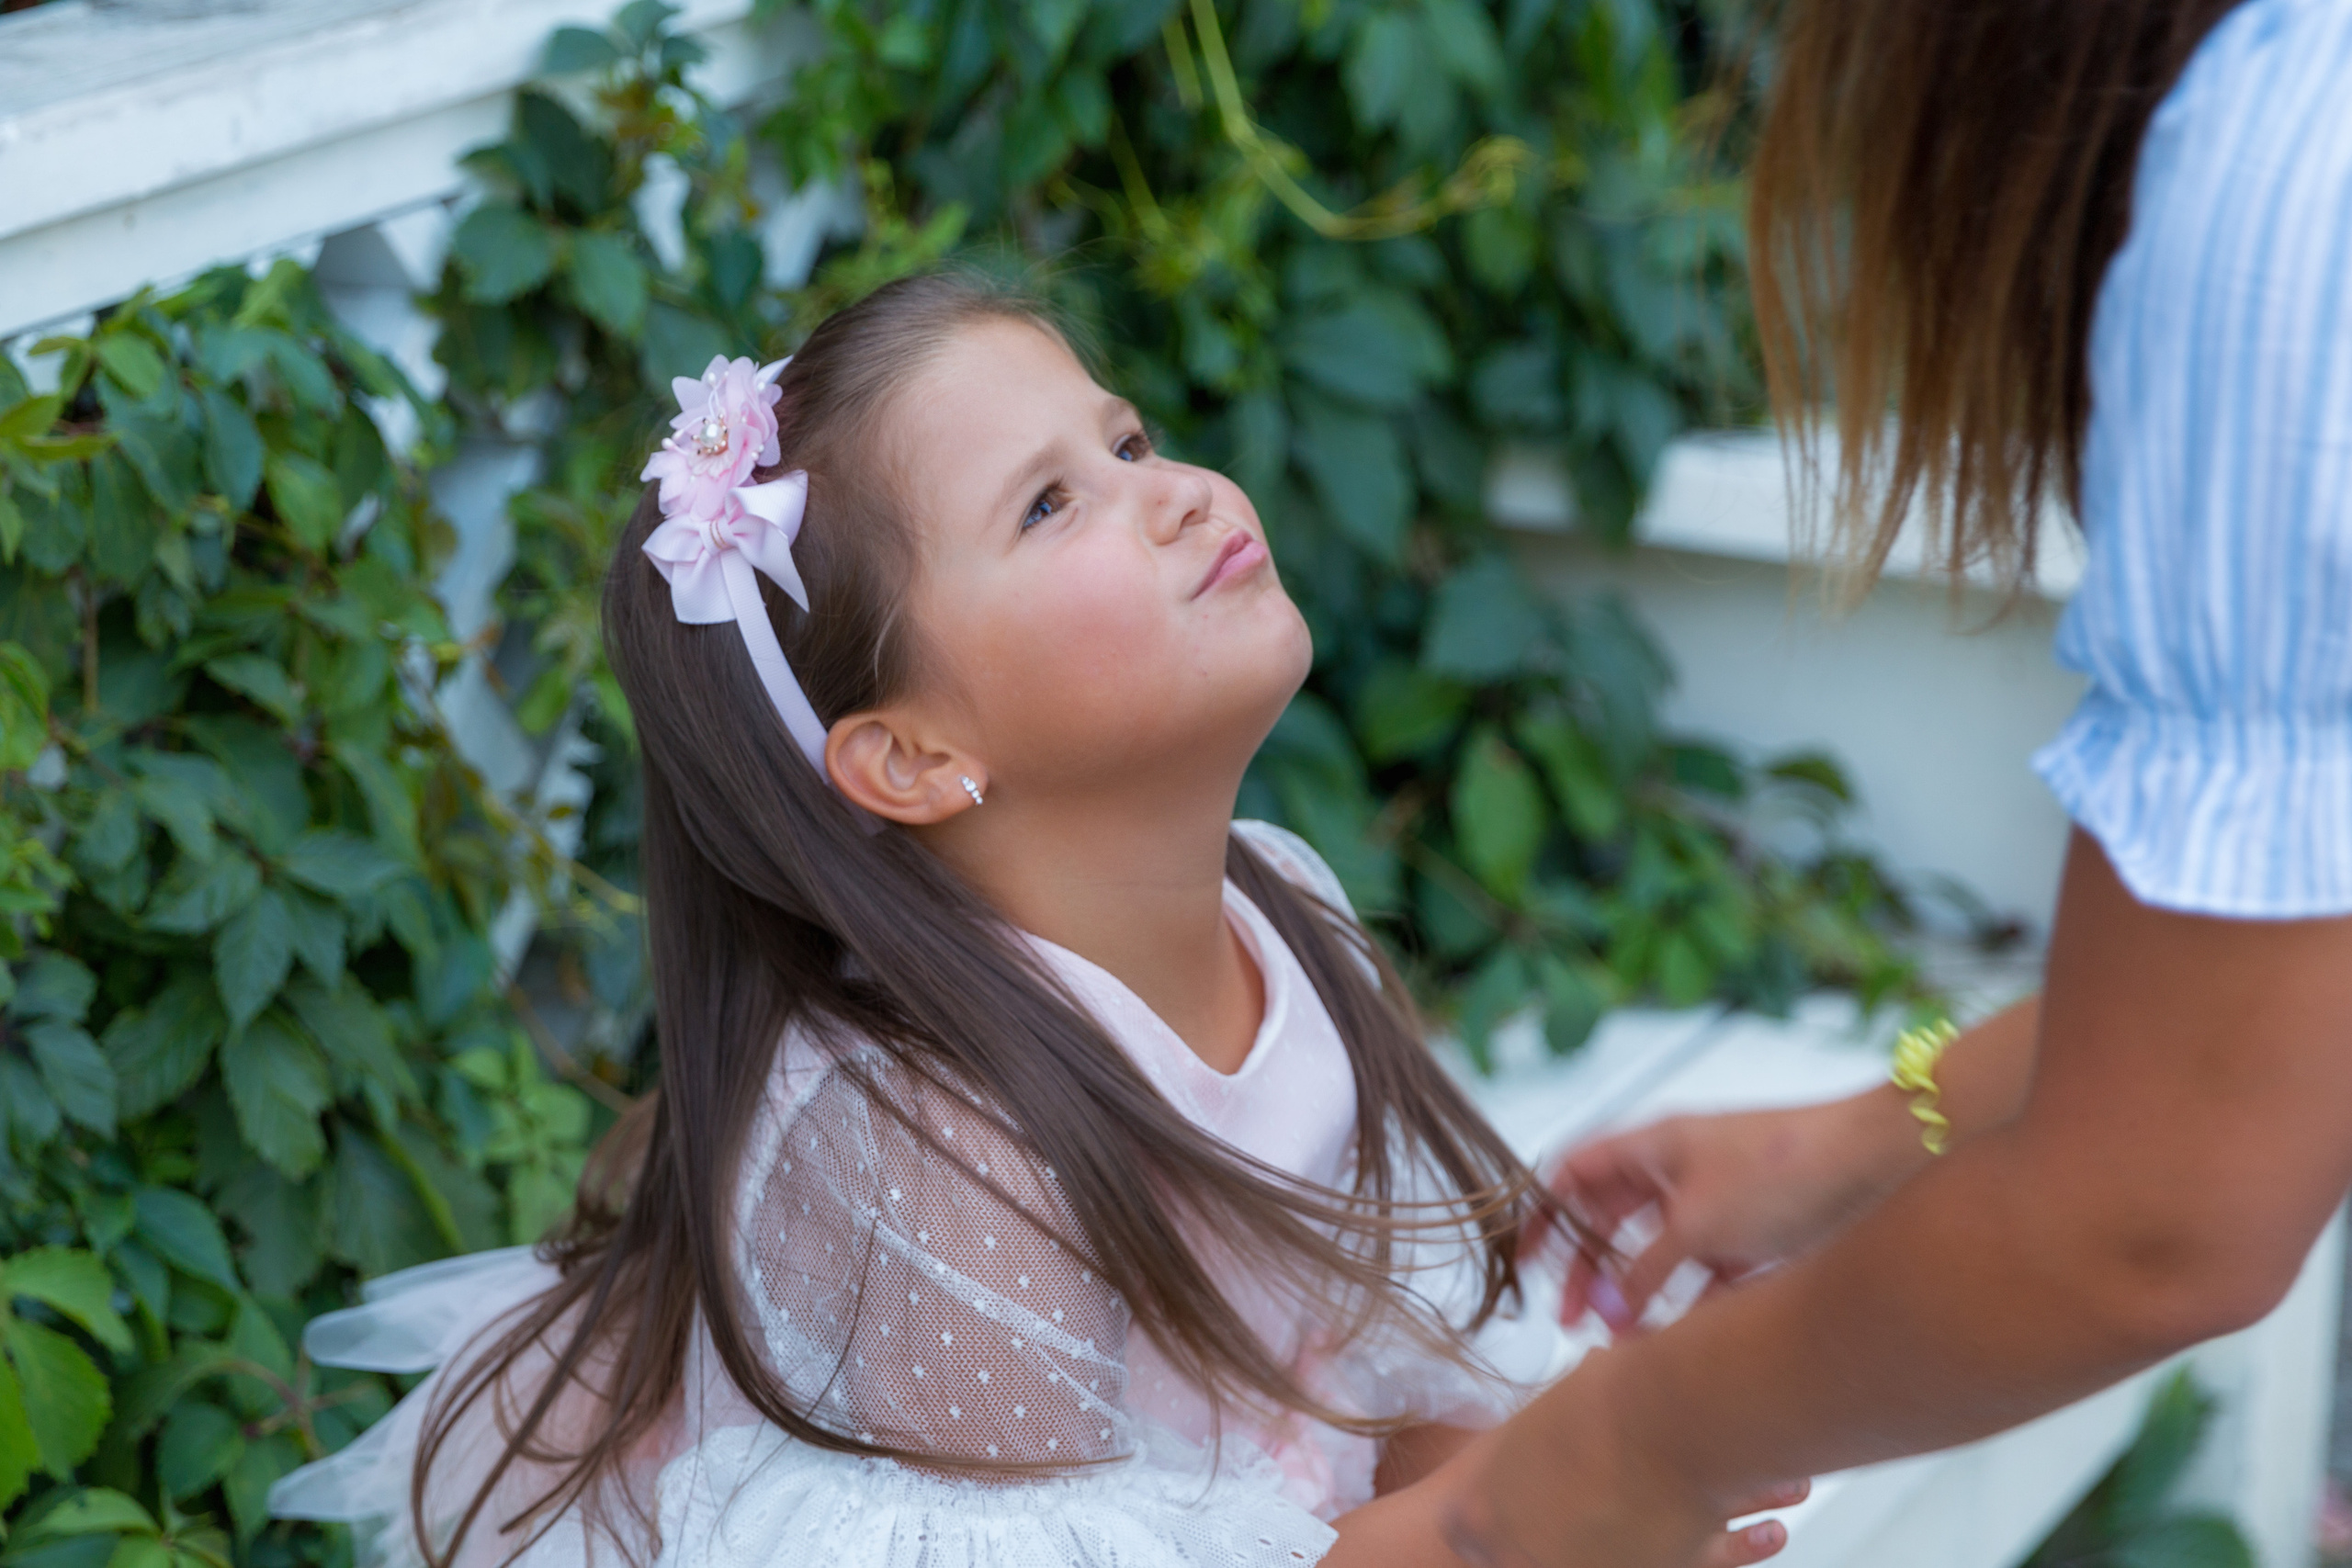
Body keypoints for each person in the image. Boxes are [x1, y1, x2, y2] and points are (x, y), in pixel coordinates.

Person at [266, 273, 1802, 1568]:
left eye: (1126, 438)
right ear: (914, 756)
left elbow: (1358, 1387)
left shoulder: (1290, 912)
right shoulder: (925, 1144)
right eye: (1054, 503)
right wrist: (1523, 1515)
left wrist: (1591, 1465)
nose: (1176, 490)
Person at [1439, 0, 2352, 1562]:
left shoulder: (2292, 176)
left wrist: (1619, 1456)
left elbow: (2159, 1219)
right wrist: (1862, 1138)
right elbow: (2265, 1020)